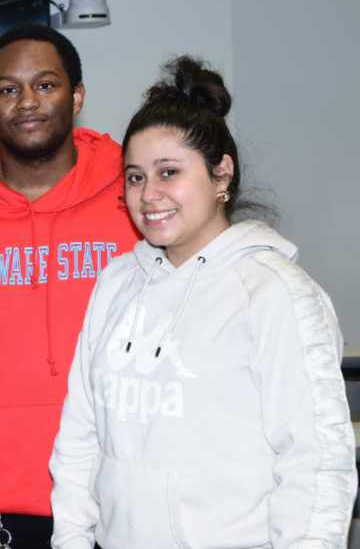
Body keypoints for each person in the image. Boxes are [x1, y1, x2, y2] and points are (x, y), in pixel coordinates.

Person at [49, 56, 357, 548]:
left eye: (168, 172)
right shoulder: (116, 283)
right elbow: (80, 439)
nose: (149, 194)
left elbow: (316, 465)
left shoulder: (277, 293)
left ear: (221, 175)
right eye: (134, 177)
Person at [0, 25, 139, 548]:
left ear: (78, 95)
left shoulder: (136, 197)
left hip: (125, 494)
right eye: (8, 89)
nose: (27, 102)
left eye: (45, 85)